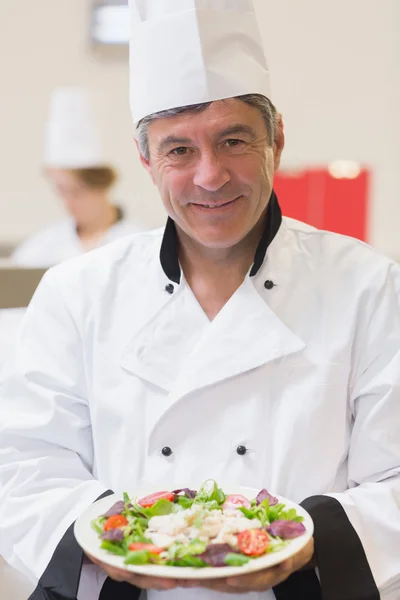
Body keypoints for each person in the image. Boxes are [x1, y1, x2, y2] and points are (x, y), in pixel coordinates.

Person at [0, 1, 399, 600]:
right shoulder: (76, 292)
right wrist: (124, 544)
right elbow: (23, 467)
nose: (210, 176)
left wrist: (303, 543)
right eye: (179, 150)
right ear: (146, 159)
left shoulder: (369, 286)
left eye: (233, 140)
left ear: (277, 139)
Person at [12, 87, 143, 267]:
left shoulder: (138, 243)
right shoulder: (41, 248)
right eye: (61, 191)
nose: (68, 202)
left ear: (102, 185)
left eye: (77, 191)